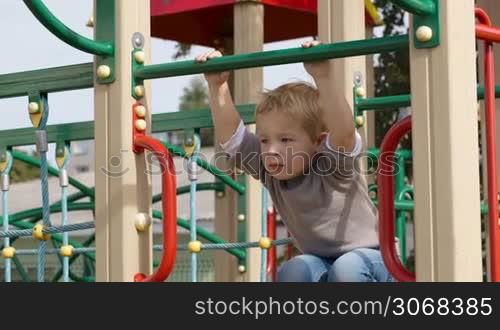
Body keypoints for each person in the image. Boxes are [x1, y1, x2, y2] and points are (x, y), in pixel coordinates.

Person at [195, 40, 394, 282]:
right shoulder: (269, 168)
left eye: (286, 140)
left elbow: (343, 132)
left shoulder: (332, 165)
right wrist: (218, 86)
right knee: (294, 271)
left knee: (347, 269)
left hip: (374, 256)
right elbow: (232, 138)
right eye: (264, 140)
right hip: (320, 259)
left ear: (319, 141)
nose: (271, 150)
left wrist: (323, 76)